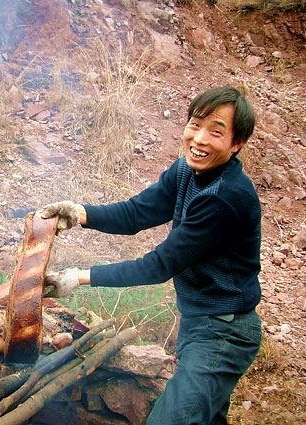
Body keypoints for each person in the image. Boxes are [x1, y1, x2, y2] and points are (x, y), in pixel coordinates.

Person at [39, 86, 262, 425]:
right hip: (199, 321)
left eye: (215, 131)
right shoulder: (188, 171)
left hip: (224, 332)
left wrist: (79, 277)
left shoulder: (224, 198)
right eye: (195, 124)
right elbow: (136, 214)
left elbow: (160, 265)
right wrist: (81, 213)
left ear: (236, 144)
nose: (199, 139)